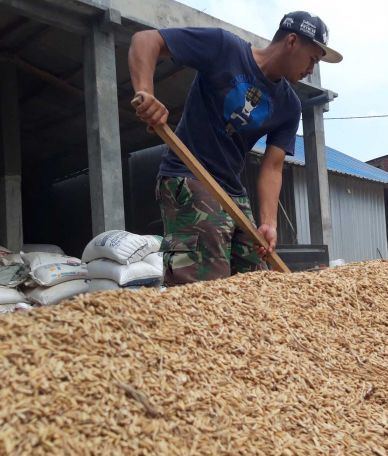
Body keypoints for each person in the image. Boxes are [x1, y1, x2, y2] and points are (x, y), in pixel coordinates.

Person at [128, 11, 342, 285]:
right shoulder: (223, 48)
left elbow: (272, 166)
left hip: (232, 191)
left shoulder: (289, 105)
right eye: (312, 59)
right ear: (291, 41)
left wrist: (268, 223)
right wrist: (145, 93)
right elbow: (146, 40)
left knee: (256, 282)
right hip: (187, 174)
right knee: (205, 286)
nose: (311, 70)